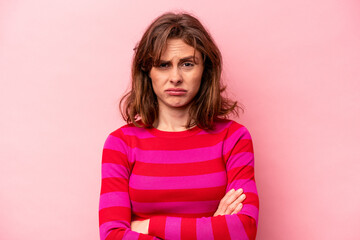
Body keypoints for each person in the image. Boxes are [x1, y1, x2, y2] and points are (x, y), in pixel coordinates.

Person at [99, 12, 259, 240]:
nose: (175, 77)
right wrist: (212, 227)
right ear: (148, 71)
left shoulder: (234, 138)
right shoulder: (120, 144)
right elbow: (112, 235)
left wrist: (147, 226)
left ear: (205, 70)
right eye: (164, 65)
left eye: (187, 63)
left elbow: (243, 229)